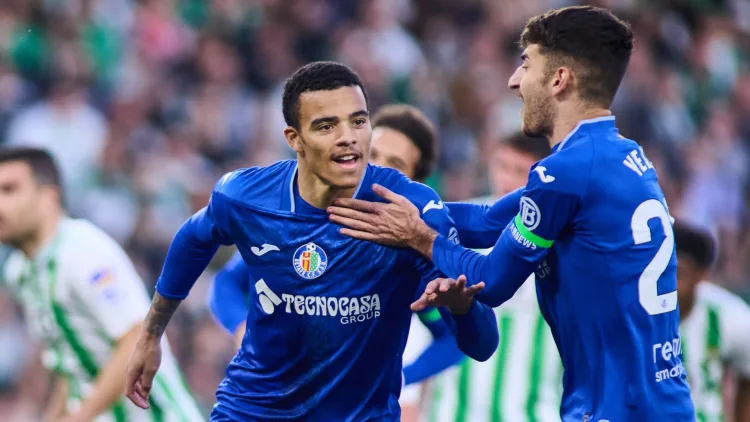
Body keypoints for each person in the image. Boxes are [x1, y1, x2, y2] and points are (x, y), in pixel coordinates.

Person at [327, 6, 696, 420]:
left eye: (526, 64)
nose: (514, 81)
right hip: (662, 403)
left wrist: (419, 237)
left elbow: (492, 281)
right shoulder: (626, 157)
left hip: (615, 409)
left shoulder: (566, 172)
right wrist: (398, 208)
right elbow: (485, 222)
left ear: (559, 80)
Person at [124, 61, 499, 421]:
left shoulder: (413, 214)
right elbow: (193, 239)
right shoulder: (246, 197)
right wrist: (151, 333)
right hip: (251, 411)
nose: (348, 137)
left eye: (358, 121)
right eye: (326, 126)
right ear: (294, 139)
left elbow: (481, 346)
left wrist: (462, 308)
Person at [205, 103, 450, 421]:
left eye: (396, 164)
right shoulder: (302, 218)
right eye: (373, 153)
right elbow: (227, 283)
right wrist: (243, 328)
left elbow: (452, 335)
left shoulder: (409, 256)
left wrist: (404, 375)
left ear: (415, 183)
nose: (376, 168)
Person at [0, 147, 203, 422]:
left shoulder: (81, 252)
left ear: (48, 197)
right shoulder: (21, 271)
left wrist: (80, 417)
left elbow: (134, 339)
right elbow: (71, 364)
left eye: (9, 190)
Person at [405, 132, 563, 422]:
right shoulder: (459, 228)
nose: (506, 179)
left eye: (520, 171)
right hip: (450, 413)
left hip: (532, 414)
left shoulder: (561, 244)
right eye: (502, 166)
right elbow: (427, 323)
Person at [674, 222, 750, 421]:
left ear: (701, 274)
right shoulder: (634, 314)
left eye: (678, 273)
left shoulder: (730, 316)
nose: (667, 282)